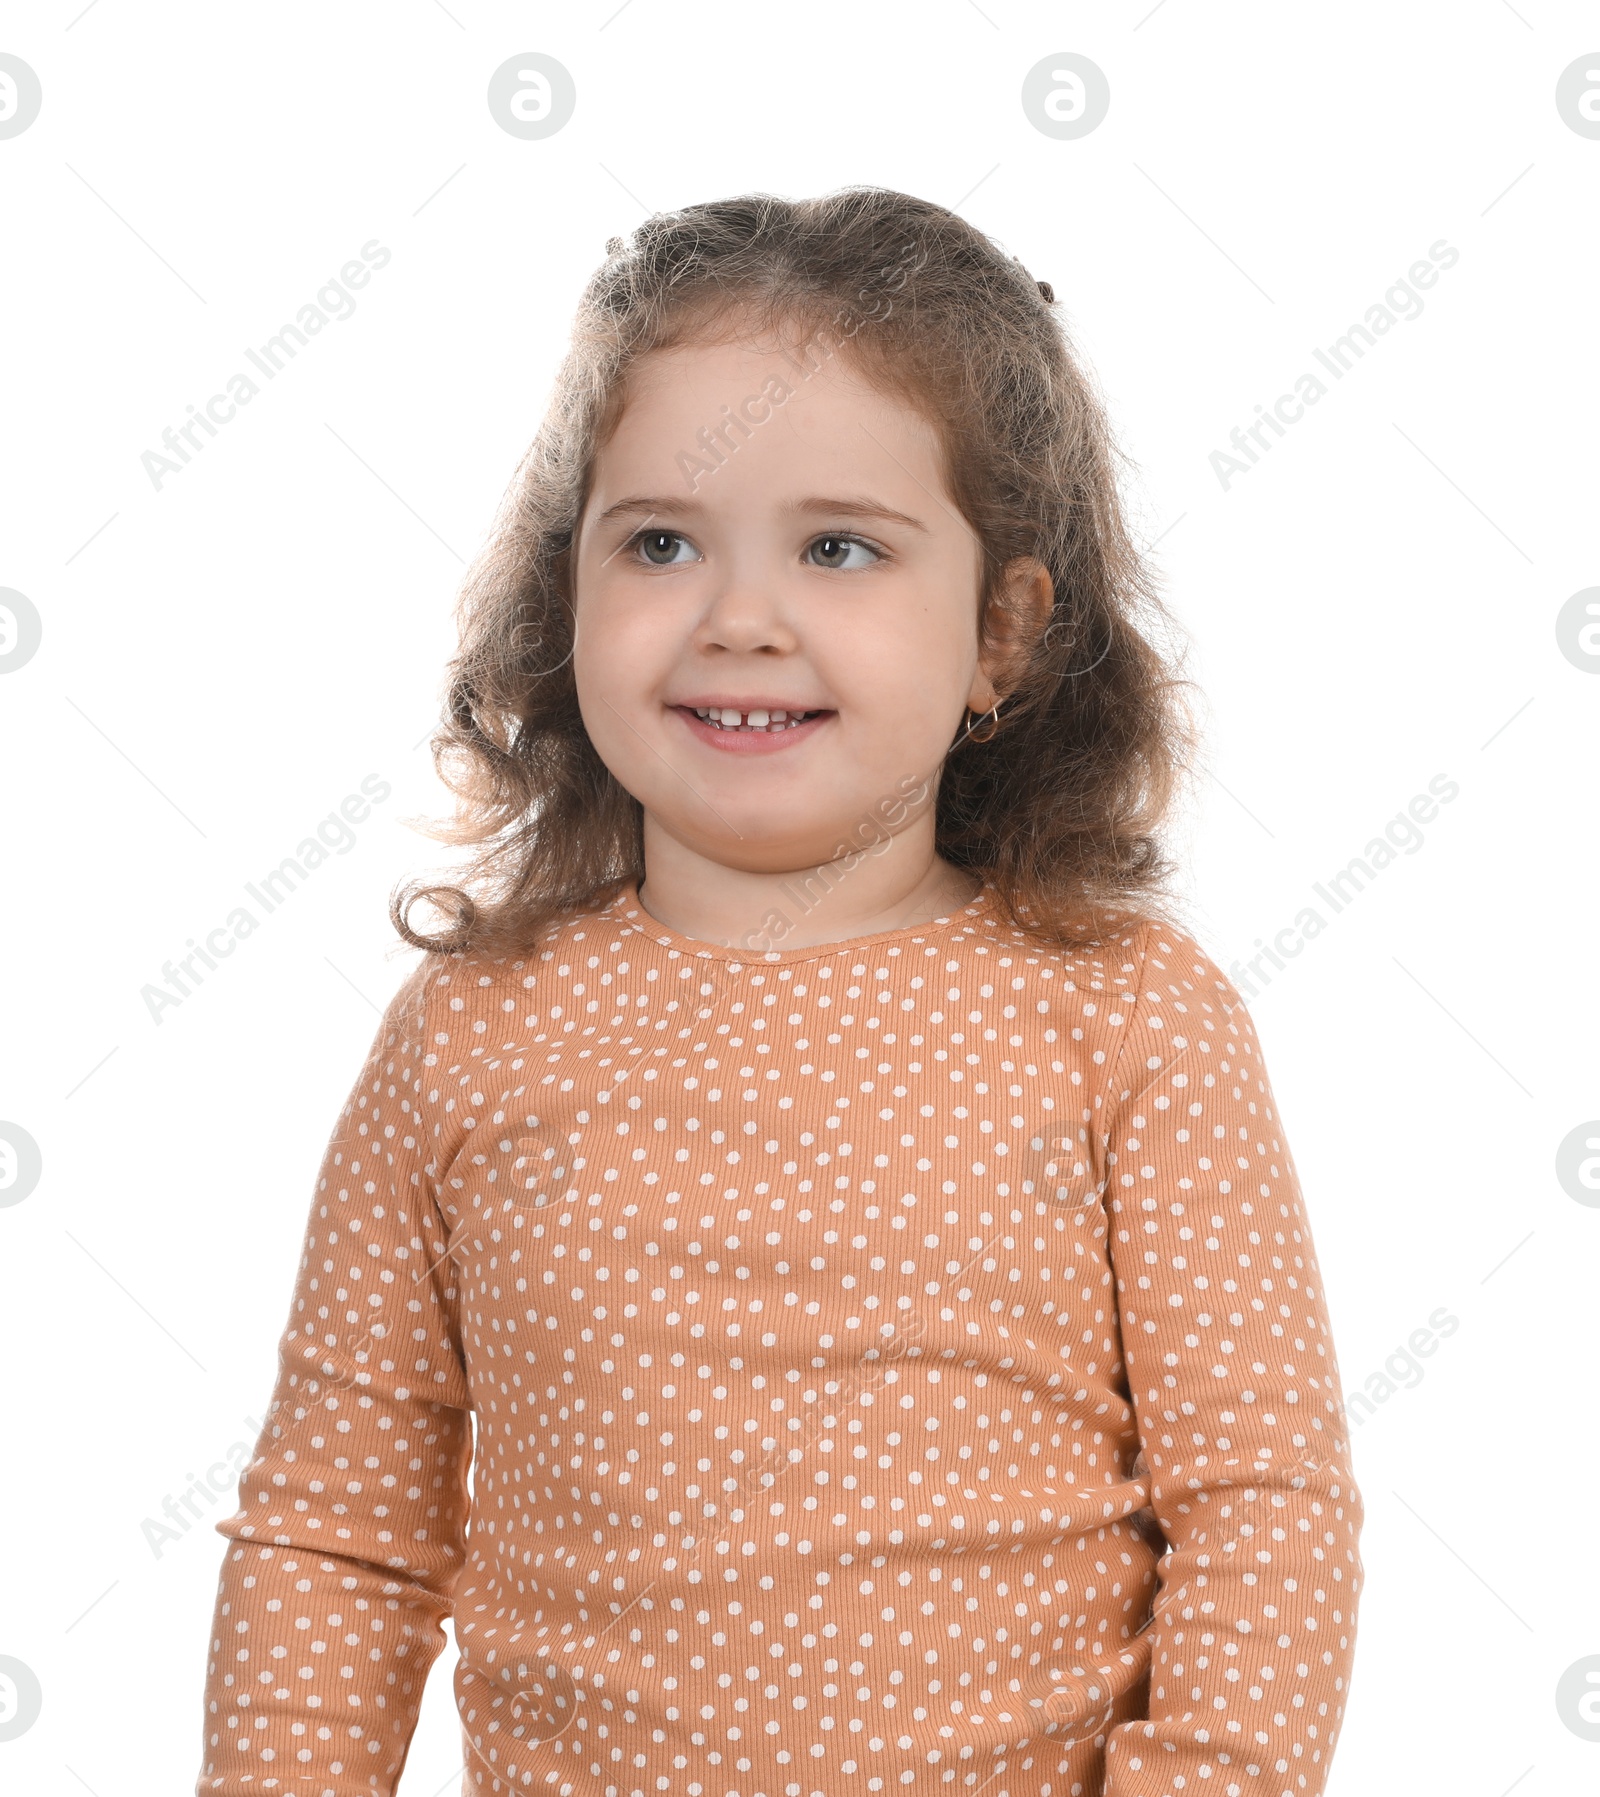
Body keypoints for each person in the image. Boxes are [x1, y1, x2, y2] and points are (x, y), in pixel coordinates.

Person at [194, 187, 1363, 1797]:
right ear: (568, 590)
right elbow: (337, 1533)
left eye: (839, 547)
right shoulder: (470, 1032)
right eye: (661, 541)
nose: (740, 617)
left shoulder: (1128, 1016)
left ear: (1000, 635)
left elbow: (1263, 1508)